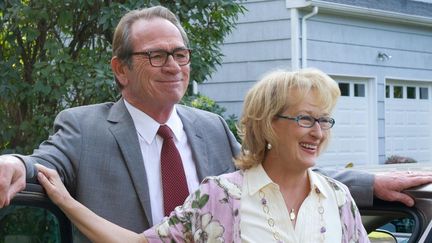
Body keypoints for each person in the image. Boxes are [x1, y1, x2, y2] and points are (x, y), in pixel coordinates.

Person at [0, 4, 431, 242]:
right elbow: (43, 165)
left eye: (180, 53)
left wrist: (366, 184)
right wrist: (15, 165)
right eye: (156, 55)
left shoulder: (207, 126)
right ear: (120, 68)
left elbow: (269, 169)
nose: (173, 65)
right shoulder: (84, 127)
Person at [36, 68, 370, 242]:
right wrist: (66, 202)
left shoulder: (337, 198)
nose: (318, 132)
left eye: (324, 120)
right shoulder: (222, 196)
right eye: (305, 119)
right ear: (268, 123)